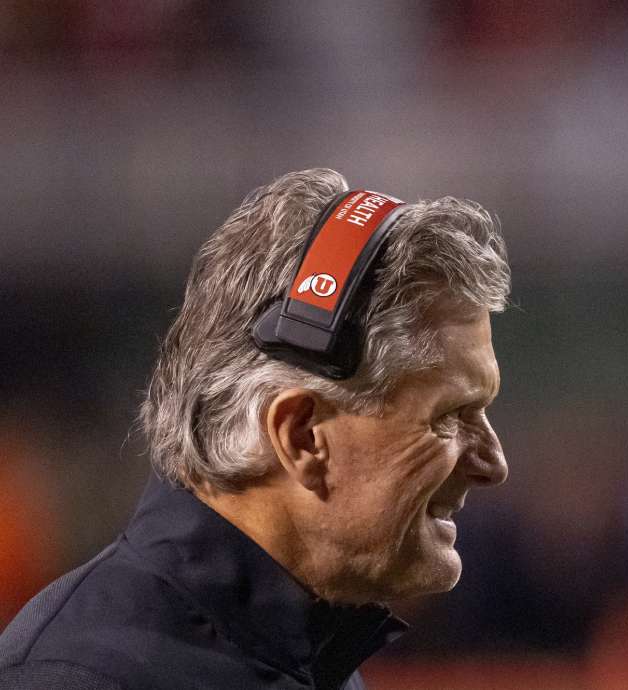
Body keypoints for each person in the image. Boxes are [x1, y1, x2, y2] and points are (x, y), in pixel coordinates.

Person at [0, 169, 511, 689]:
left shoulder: (319, 656)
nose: (494, 463)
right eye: (449, 417)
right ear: (302, 437)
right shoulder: (75, 678)